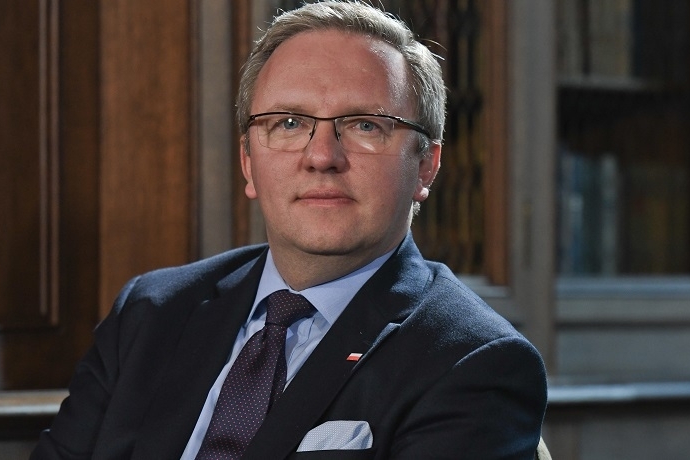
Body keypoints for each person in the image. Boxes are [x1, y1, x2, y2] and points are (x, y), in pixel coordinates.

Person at [31, 1, 547, 459]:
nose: (321, 156)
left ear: (426, 166)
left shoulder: (474, 363)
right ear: (248, 162)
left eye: (365, 125)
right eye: (289, 123)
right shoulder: (151, 313)